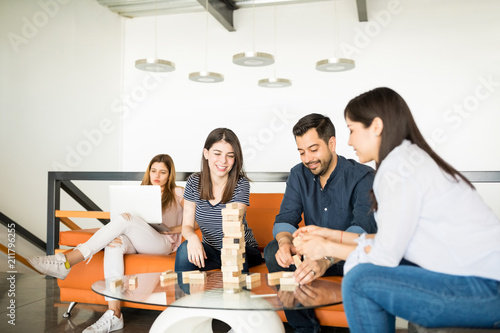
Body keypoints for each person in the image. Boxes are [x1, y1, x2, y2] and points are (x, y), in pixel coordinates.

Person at [293, 87, 500, 332]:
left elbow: (385, 256)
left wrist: (326, 248)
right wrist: (330, 235)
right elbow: (394, 240)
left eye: (352, 130)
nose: (349, 141)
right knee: (365, 270)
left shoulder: (398, 168)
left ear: (377, 126)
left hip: (485, 289)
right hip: (479, 283)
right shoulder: (406, 160)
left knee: (360, 280)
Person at [27, 154, 184, 333]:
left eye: (163, 172)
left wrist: (174, 228)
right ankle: (114, 314)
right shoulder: (141, 192)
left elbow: (195, 221)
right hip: (138, 240)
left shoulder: (178, 193)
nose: (157, 175)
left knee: (127, 219)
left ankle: (68, 260)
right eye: (154, 170)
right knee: (114, 244)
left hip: (163, 243)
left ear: (170, 175)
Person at [264, 113, 377, 332]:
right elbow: (286, 217)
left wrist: (325, 258)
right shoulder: (298, 174)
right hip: (312, 254)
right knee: (272, 251)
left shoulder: (363, 176)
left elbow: (362, 229)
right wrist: (285, 242)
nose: (307, 159)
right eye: (301, 152)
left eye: (313, 150)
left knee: (363, 259)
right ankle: (305, 328)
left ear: (331, 143)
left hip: (347, 255)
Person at [175, 128, 263, 273]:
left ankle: (238, 294)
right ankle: (183, 295)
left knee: (228, 246)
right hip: (213, 251)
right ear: (206, 153)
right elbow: (187, 226)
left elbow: (232, 225)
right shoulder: (193, 182)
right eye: (217, 153)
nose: (223, 161)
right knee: (184, 250)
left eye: (230, 155)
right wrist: (192, 238)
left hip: (242, 249)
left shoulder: (241, 184)